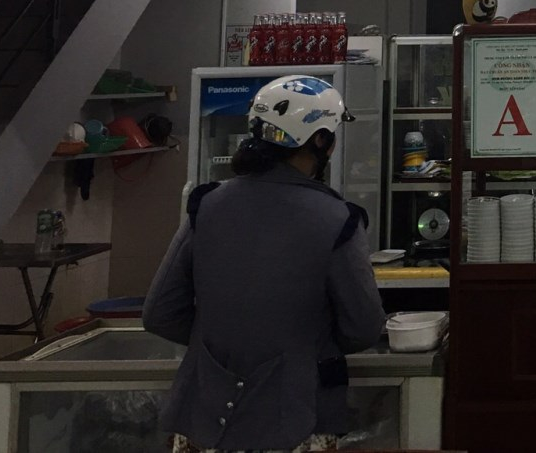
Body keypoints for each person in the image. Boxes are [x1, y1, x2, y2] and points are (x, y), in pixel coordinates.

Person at [143, 75, 386, 453]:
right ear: (321, 141)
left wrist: (223, 342)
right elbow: (364, 327)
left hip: (203, 422)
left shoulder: (206, 205)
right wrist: (303, 348)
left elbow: (160, 313)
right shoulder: (339, 219)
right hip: (297, 420)